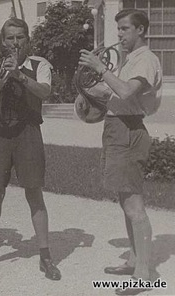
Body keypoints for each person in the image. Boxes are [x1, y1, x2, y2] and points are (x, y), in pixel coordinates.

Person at [0, 18, 61, 281]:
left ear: (27, 40)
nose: (15, 42)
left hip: (28, 132)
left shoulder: (40, 65)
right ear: (3, 41)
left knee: (34, 194)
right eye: (10, 38)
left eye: (20, 37)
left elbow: (44, 92)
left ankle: (45, 256)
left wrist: (18, 74)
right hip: (1, 133)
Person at [78, 9, 162, 296]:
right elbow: (114, 91)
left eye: (125, 29)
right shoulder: (130, 60)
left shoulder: (147, 60)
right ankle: (135, 259)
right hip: (117, 130)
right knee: (125, 200)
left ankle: (145, 274)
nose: (120, 35)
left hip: (128, 131)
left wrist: (101, 68)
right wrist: (90, 88)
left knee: (134, 205)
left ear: (140, 30)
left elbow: (126, 92)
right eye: (119, 30)